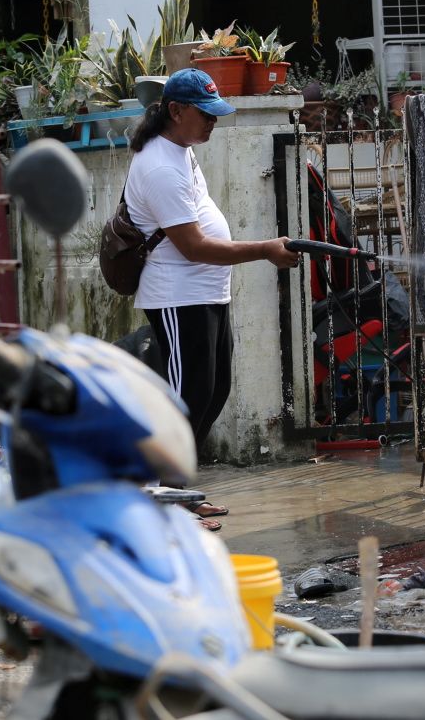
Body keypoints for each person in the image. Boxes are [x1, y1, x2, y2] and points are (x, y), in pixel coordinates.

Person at [125, 68, 299, 530]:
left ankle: (179, 494)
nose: (212, 122)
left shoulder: (181, 152)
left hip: (204, 293)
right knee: (184, 401)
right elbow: (195, 246)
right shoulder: (160, 165)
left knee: (211, 393)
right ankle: (160, 504)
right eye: (205, 114)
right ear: (176, 111)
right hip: (177, 298)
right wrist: (264, 249)